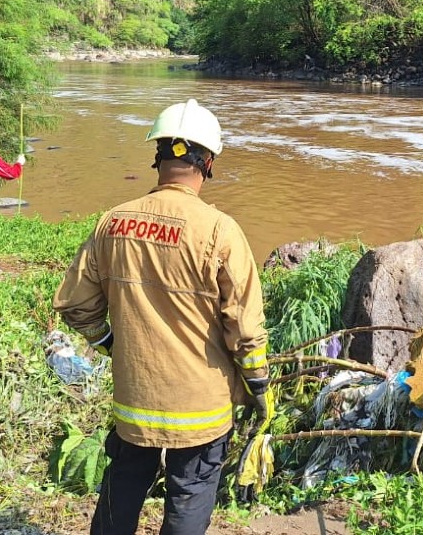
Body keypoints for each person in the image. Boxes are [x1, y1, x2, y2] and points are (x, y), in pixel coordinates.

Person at [53, 99, 270, 535]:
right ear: (208, 162)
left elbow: (75, 303)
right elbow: (245, 329)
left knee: (124, 482)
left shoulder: (112, 223)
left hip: (135, 398)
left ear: (158, 157)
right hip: (201, 406)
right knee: (190, 493)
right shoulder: (220, 230)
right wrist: (258, 386)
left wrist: (109, 342)